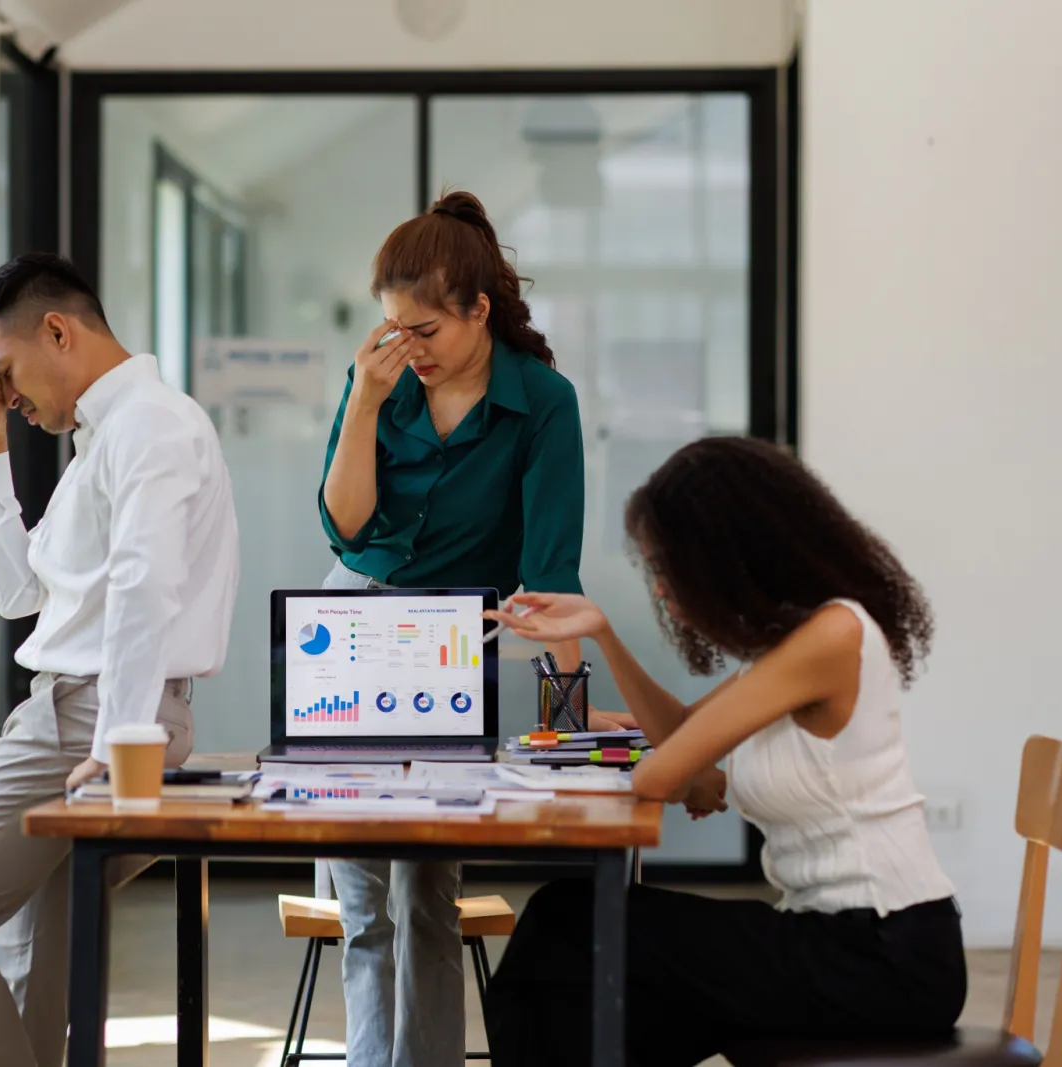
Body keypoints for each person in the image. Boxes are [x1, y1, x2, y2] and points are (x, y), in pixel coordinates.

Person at [481, 436, 966, 1067]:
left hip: (882, 952)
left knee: (569, 929)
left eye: (665, 567)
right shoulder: (794, 644)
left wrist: (687, 775)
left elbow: (660, 773)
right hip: (839, 938)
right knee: (579, 954)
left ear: (726, 553)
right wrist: (600, 631)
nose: (660, 589)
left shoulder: (832, 635)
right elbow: (680, 731)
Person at [0, 253, 240, 1067]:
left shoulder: (149, 423)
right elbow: (18, 591)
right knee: (30, 966)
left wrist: (118, 751)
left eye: (4, 370)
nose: (2, 390)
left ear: (58, 330)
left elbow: (147, 588)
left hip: (89, 717)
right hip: (94, 710)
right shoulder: (103, 439)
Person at [318, 190, 629, 1067]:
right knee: (360, 897)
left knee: (426, 886)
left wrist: (566, 720)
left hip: (457, 637)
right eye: (391, 328)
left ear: (478, 310)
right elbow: (345, 530)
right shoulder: (377, 382)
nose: (404, 348)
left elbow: (551, 579)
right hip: (355, 619)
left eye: (425, 331)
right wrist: (364, 406)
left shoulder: (543, 403)